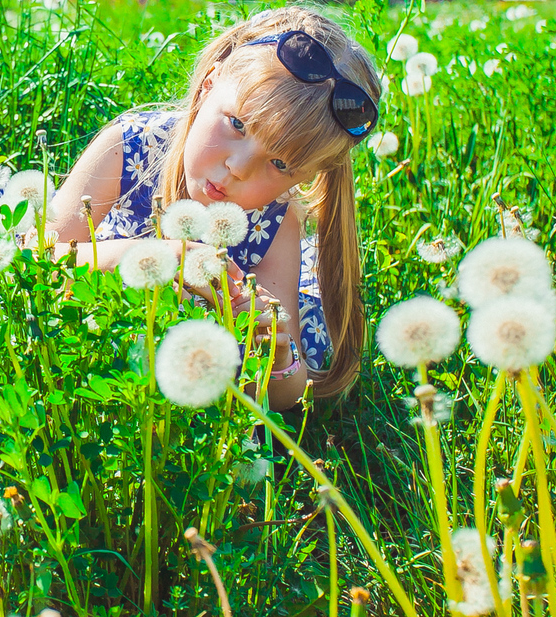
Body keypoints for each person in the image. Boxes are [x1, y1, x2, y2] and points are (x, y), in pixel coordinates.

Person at [46, 7, 382, 411]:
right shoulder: (128, 144)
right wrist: (157, 257)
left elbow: (285, 398)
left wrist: (276, 355)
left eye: (278, 164)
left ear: (301, 178)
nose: (238, 168)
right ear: (208, 85)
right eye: (238, 125)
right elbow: (35, 264)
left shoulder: (276, 220)